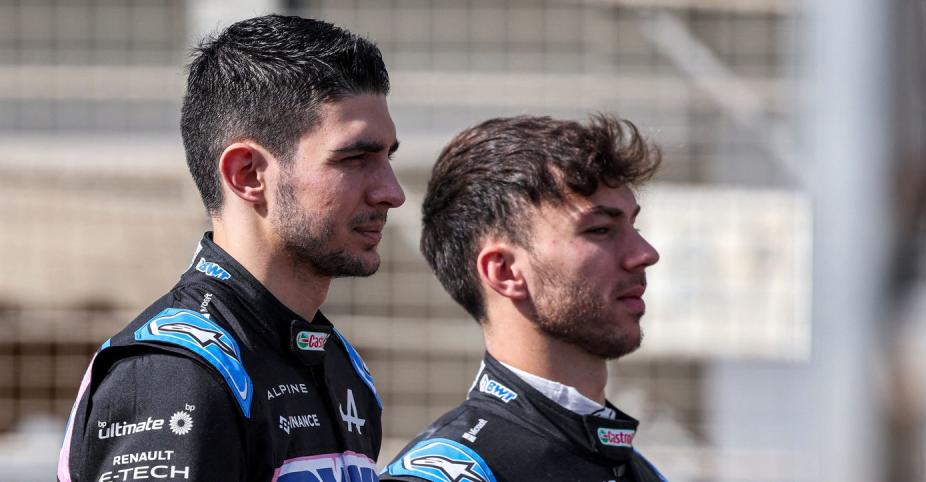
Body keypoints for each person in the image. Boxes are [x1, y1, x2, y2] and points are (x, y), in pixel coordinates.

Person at [57, 14, 404, 482]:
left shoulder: (340, 364)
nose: (392, 192)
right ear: (247, 174)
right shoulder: (176, 373)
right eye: (356, 159)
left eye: (388, 157)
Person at [381, 115, 668, 482]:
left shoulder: (638, 470)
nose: (644, 253)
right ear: (504, 271)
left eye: (634, 226)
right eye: (601, 230)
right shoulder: (451, 473)